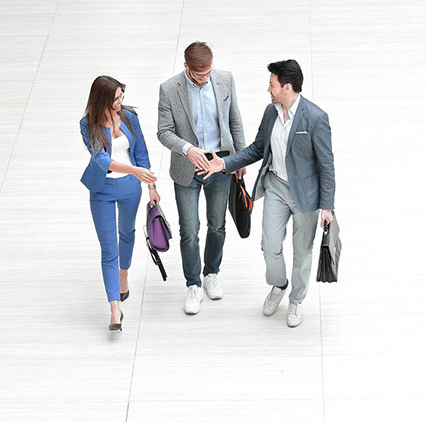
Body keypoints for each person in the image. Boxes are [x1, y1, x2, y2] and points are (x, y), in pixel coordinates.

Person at [200, 60, 335, 327]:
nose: (268, 89)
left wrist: (327, 207)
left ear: (287, 86)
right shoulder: (270, 112)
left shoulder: (316, 118)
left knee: (302, 251)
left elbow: (326, 164)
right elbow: (257, 148)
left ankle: (296, 299)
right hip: (275, 186)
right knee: (270, 245)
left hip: (305, 195)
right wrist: (224, 164)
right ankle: (279, 285)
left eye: (272, 84)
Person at [157, 41, 246, 315]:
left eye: (208, 72)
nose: (205, 78)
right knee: (189, 230)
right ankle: (193, 284)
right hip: (187, 167)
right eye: (199, 75)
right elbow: (164, 131)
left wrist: (239, 158)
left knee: (217, 225)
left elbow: (235, 120)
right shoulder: (169, 89)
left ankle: (211, 274)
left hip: (219, 164)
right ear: (186, 67)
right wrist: (188, 149)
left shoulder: (225, 79)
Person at [80, 76, 159, 331]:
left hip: (129, 188)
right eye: (116, 99)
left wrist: (151, 186)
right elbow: (101, 159)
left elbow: (142, 153)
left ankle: (124, 273)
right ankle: (115, 308)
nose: (120, 102)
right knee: (108, 248)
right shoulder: (88, 124)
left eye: (121, 96)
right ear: (102, 99)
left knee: (127, 234)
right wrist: (135, 170)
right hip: (102, 189)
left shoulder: (129, 117)